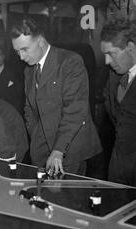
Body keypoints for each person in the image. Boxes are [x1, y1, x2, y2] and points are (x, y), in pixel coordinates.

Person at [11, 19, 102, 176]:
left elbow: (75, 111)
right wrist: (38, 137)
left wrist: (59, 149)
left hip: (69, 149)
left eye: (24, 49)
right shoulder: (29, 71)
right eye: (17, 51)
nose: (21, 56)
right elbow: (29, 110)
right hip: (41, 150)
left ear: (40, 41)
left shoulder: (69, 62)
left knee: (66, 199)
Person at [100, 18, 136, 187]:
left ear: (131, 48)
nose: (107, 61)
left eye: (111, 54)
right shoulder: (114, 75)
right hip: (118, 166)